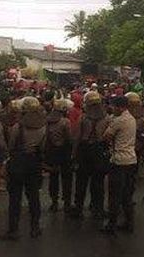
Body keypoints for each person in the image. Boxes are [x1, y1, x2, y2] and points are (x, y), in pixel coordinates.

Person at [0, 96, 47, 241]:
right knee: (34, 197)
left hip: (17, 164)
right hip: (34, 165)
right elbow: (44, 148)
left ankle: (13, 230)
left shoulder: (17, 127)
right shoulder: (43, 126)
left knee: (15, 198)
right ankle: (35, 227)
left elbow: (11, 146)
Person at [100, 96, 137, 234]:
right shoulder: (132, 119)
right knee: (126, 194)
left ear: (120, 107)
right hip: (131, 160)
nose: (113, 108)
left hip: (119, 161)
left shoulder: (119, 121)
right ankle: (129, 222)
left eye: (114, 106)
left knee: (114, 195)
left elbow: (106, 136)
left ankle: (112, 224)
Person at [72, 91, 110, 220]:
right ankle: (97, 208)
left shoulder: (83, 117)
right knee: (98, 182)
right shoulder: (106, 118)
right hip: (99, 150)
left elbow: (77, 137)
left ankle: (78, 208)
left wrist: (74, 154)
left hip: (85, 150)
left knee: (81, 182)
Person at [44, 97, 73, 215]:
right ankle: (67, 203)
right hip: (64, 152)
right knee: (66, 178)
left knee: (53, 177)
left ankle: (54, 202)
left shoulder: (47, 120)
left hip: (51, 152)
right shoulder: (65, 121)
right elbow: (69, 138)